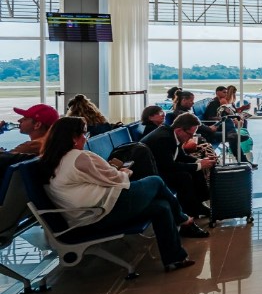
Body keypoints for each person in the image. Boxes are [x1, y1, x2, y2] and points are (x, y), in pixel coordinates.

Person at [38, 116, 196, 272]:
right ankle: (182, 219)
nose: (86, 139)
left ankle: (174, 259)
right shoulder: (79, 157)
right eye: (84, 134)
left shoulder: (53, 159)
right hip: (102, 213)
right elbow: (116, 179)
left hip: (86, 215)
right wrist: (125, 171)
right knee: (155, 181)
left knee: (161, 207)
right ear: (74, 138)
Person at [141, 113, 216, 227]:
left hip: (161, 168)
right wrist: (200, 165)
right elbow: (169, 166)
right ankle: (188, 211)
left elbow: (181, 156)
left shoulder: (172, 134)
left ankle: (197, 204)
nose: (191, 138)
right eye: (190, 134)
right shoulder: (163, 139)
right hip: (151, 174)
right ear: (180, 130)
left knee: (195, 170)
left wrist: (199, 161)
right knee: (184, 177)